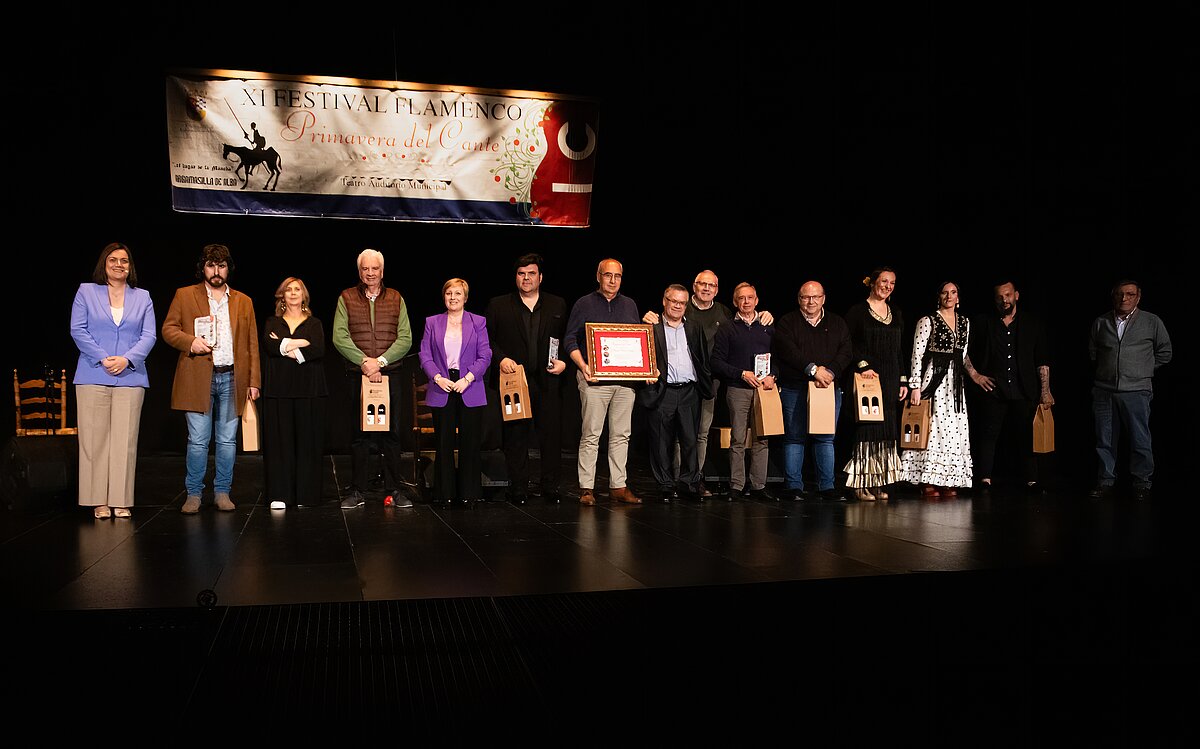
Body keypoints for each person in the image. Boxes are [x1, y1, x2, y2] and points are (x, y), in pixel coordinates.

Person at [642, 270, 774, 496]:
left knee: (697, 435)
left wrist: (764, 314)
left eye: (711, 285)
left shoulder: (721, 313)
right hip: (667, 386)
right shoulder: (670, 316)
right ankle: (672, 482)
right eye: (702, 284)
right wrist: (648, 317)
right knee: (670, 437)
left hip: (703, 384)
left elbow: (742, 325)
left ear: (717, 289)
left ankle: (693, 481)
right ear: (693, 286)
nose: (706, 288)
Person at [161, 243, 260, 514]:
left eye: (222, 265)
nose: (216, 271)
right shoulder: (184, 295)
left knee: (227, 441)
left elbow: (251, 344)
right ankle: (194, 493)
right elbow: (168, 329)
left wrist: (254, 381)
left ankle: (222, 492)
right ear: (202, 268)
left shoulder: (243, 301)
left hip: (232, 378)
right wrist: (190, 342)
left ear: (229, 269)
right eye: (211, 265)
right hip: (198, 377)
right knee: (198, 441)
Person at [69, 242, 156, 520]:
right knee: (94, 442)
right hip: (93, 373)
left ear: (130, 266)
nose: (119, 265)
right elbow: (78, 330)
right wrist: (103, 358)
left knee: (124, 442)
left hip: (131, 376)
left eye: (124, 260)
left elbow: (149, 335)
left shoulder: (142, 297)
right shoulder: (86, 292)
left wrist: (127, 360)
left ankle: (120, 500)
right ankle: (98, 501)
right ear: (104, 264)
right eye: (113, 260)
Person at [332, 249, 413, 509]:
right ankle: (358, 490)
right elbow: (339, 337)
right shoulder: (346, 297)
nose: (370, 273)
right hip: (359, 375)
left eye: (374, 268)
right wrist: (365, 362)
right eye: (365, 269)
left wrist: (380, 362)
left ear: (382, 271)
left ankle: (394, 489)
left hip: (390, 374)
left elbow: (406, 338)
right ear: (359, 272)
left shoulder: (396, 298)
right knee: (360, 435)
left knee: (392, 434)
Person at [484, 253, 568, 504]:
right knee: (515, 436)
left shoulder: (557, 304)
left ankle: (550, 487)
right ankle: (518, 488)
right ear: (516, 277)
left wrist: (564, 361)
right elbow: (487, 340)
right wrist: (500, 359)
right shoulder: (498, 305)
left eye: (531, 273)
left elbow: (568, 338)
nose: (526, 278)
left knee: (550, 436)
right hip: (514, 382)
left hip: (548, 381)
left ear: (540, 277)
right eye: (521, 274)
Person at [563, 258, 644, 505]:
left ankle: (618, 486)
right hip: (594, 380)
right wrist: (584, 366)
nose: (612, 280)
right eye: (608, 275)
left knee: (621, 435)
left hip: (625, 383)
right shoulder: (584, 303)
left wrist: (646, 369)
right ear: (598, 276)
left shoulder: (630, 305)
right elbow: (570, 339)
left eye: (617, 276)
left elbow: (637, 342)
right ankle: (586, 488)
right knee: (591, 434)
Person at [1087, 280, 1172, 501]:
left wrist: (1142, 369)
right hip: (1104, 390)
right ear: (1113, 296)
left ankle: (1142, 482)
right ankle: (1106, 480)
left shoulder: (1151, 321)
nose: (1124, 298)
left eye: (1130, 294)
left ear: (1138, 297)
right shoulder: (1101, 322)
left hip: (1136, 390)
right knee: (1105, 439)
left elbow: (1165, 352)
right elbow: (1093, 350)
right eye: (1120, 294)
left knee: (1139, 438)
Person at [967, 278, 1054, 493]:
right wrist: (975, 375)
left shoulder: (1032, 323)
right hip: (993, 389)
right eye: (999, 296)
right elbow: (964, 350)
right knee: (988, 435)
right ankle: (985, 479)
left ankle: (1032, 480)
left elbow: (1042, 360)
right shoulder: (983, 322)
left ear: (1016, 295)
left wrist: (1045, 391)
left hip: (1024, 388)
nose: (1004, 300)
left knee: (1027, 435)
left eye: (1007, 295)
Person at [772, 281, 852, 501]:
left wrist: (831, 372)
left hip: (826, 387)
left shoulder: (837, 323)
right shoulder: (788, 322)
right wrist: (814, 370)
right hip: (794, 387)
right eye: (806, 297)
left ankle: (827, 487)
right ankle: (793, 487)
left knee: (825, 438)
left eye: (815, 297)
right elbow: (788, 351)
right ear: (799, 299)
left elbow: (846, 351)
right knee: (794, 437)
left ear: (823, 299)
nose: (811, 301)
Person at [898, 281, 977, 498]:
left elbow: (963, 354)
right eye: (944, 292)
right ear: (939, 296)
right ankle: (927, 478)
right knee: (933, 427)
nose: (949, 296)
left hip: (955, 382)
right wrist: (915, 386)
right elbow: (917, 354)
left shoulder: (965, 322)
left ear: (958, 297)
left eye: (953, 292)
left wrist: (972, 375)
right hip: (934, 379)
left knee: (954, 428)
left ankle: (948, 478)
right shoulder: (928, 321)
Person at [419, 278, 491, 504]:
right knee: (444, 442)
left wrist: (467, 378)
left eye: (458, 293)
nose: (453, 297)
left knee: (470, 443)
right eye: (449, 293)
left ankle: (470, 494)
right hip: (442, 384)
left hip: (469, 383)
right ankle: (445, 494)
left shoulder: (478, 322)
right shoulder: (432, 322)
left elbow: (485, 355)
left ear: (465, 298)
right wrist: (437, 378)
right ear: (444, 297)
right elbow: (424, 355)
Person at [639, 284, 712, 502]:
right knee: (661, 441)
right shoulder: (652, 326)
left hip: (689, 391)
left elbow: (701, 358)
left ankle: (689, 484)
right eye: (674, 301)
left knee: (690, 440)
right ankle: (665, 484)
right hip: (663, 391)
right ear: (665, 301)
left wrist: (703, 384)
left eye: (682, 303)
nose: (678, 306)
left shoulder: (694, 327)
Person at [261, 277, 328, 510]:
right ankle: (280, 495)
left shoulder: (314, 323)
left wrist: (284, 346)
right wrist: (299, 343)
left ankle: (306, 495)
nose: (292, 293)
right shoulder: (272, 322)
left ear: (304, 295)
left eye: (297, 289)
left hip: (309, 389)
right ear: (282, 295)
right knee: (279, 444)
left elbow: (318, 348)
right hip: (278, 390)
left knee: (308, 443)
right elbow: (268, 345)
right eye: (288, 290)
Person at [843, 268, 908, 501]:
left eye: (892, 282)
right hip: (867, 379)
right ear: (872, 283)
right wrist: (863, 365)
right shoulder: (857, 312)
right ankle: (861, 483)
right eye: (884, 281)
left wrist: (903, 380)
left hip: (890, 379)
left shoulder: (896, 312)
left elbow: (899, 349)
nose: (887, 286)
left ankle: (879, 482)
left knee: (886, 432)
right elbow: (849, 344)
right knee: (867, 430)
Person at [709, 282, 776, 500]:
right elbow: (716, 362)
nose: (746, 302)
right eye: (741, 298)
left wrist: (773, 376)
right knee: (738, 439)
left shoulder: (767, 326)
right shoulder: (727, 328)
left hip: (764, 390)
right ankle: (736, 486)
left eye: (750, 298)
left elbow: (779, 358)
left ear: (757, 300)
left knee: (762, 439)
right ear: (735, 302)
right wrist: (741, 374)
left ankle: (758, 486)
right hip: (738, 389)